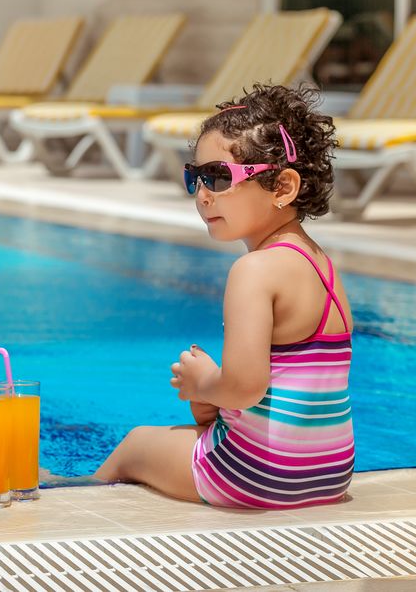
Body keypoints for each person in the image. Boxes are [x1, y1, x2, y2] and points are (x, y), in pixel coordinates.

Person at [94, 84, 354, 508]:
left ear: (282, 187)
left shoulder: (254, 270)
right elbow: (288, 385)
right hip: (329, 474)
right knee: (199, 431)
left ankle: (74, 497)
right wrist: (209, 403)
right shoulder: (323, 268)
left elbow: (245, 388)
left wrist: (203, 381)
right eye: (195, 177)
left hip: (259, 475)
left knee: (135, 444)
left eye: (218, 177)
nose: (202, 194)